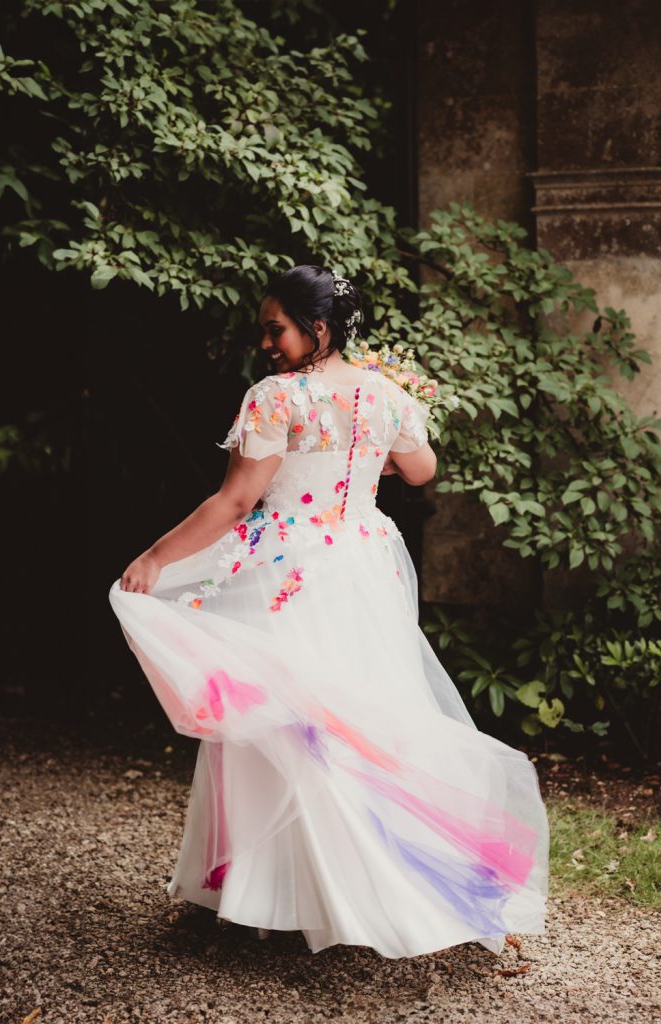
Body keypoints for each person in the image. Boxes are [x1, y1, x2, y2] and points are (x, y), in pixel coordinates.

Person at [108, 264, 549, 959]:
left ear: (316, 328)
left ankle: (273, 897)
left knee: (280, 722)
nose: (264, 342)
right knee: (358, 715)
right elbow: (422, 469)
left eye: (273, 327)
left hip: (289, 568)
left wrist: (156, 557)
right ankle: (362, 891)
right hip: (364, 564)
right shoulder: (384, 392)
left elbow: (234, 503)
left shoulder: (276, 399)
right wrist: (368, 449)